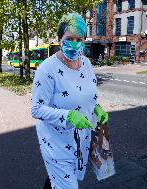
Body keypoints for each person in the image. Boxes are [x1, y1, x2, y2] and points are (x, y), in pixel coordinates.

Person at [31, 13, 108, 189]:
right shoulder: (47, 69)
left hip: (81, 141)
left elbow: (88, 94)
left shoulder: (87, 64)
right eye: (69, 38)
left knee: (58, 180)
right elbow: (36, 109)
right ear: (60, 39)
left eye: (79, 38)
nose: (74, 43)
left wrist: (97, 108)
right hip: (56, 142)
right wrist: (68, 116)